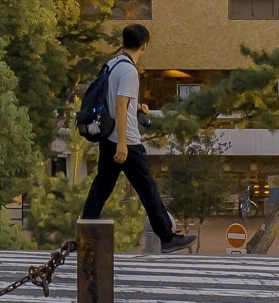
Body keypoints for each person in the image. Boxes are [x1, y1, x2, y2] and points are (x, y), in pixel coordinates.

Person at [81, 23, 196, 253]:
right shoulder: (129, 71)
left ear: (124, 42)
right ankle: (167, 237)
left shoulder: (113, 64)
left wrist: (136, 108)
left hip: (108, 137)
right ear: (145, 45)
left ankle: (86, 227)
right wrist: (123, 142)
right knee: (147, 188)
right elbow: (120, 105)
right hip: (127, 142)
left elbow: (120, 103)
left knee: (102, 186)